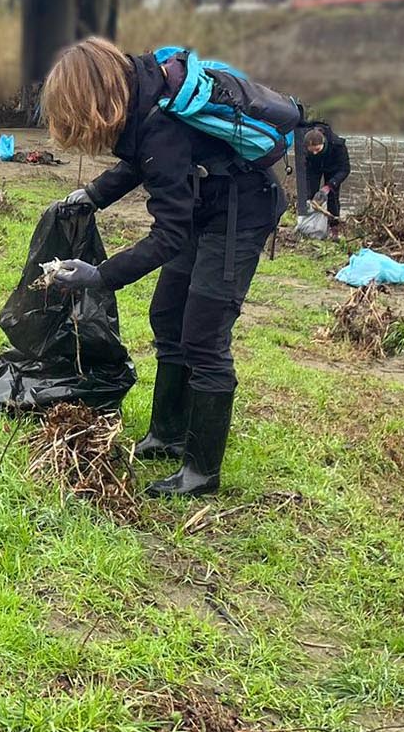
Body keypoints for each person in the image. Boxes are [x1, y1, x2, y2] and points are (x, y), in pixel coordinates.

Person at [42, 37, 294, 497]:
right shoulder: (142, 93)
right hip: (205, 204)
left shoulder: (159, 122)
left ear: (94, 98)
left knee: (204, 336)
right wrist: (93, 195)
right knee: (167, 315)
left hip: (240, 213)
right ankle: (167, 434)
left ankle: (201, 471)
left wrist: (101, 276)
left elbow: (167, 234)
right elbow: (148, 162)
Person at [300, 123, 350, 219]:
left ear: (323, 142)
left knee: (333, 196)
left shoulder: (337, 145)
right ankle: (309, 222)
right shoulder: (304, 145)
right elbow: (304, 168)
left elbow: (345, 169)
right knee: (310, 194)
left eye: (317, 149)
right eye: (311, 151)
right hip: (314, 167)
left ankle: (334, 224)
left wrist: (330, 185)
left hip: (333, 167)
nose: (314, 153)